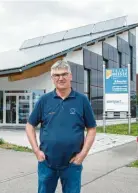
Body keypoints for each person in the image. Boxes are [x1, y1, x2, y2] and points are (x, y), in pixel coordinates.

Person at [25, 59, 97, 193]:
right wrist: (36, 151)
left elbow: (92, 128)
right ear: (52, 78)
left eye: (64, 74)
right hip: (47, 162)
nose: (61, 78)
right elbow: (30, 125)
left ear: (71, 76)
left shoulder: (82, 100)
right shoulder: (44, 100)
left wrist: (82, 155)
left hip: (72, 164)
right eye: (57, 75)